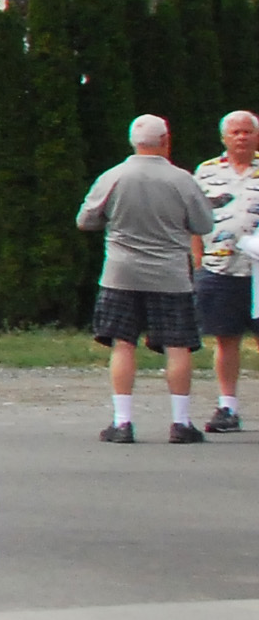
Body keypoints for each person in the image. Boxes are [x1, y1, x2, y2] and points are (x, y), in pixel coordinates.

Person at [80, 113, 214, 444]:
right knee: (178, 345)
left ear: (132, 141)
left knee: (123, 343)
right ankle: (180, 423)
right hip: (169, 274)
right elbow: (204, 224)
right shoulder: (182, 180)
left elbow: (86, 219)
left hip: (121, 272)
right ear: (166, 140)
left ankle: (122, 422)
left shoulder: (114, 176)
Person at [193, 109, 258, 430]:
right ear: (224, 138)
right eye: (235, 132)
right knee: (225, 338)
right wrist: (197, 261)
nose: (242, 137)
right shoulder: (205, 172)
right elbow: (192, 219)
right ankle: (227, 407)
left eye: (247, 131)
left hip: (258, 273)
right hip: (219, 267)